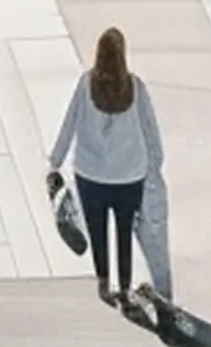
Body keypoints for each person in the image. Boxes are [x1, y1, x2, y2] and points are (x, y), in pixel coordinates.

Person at [49, 26, 168, 320]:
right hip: (129, 175)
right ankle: (125, 289)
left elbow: (70, 120)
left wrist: (55, 160)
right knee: (124, 231)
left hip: (90, 174)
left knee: (97, 230)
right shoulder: (136, 88)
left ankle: (104, 281)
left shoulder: (86, 84)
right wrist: (155, 164)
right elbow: (150, 129)